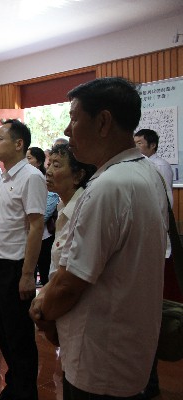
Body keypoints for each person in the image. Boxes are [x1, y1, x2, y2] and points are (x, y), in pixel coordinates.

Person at [34, 77, 168, 400]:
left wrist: (41, 310)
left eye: (74, 118)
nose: (67, 130)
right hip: (128, 348)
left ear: (103, 122)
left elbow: (70, 283)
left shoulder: (109, 186)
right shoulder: (146, 172)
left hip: (99, 359)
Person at [0, 120, 47, 400]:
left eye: (0, 139)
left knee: (19, 336)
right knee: (6, 333)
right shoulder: (6, 176)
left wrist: (27, 274)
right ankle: (13, 389)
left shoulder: (31, 177)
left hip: (15, 268)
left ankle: (25, 394)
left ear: (19, 144)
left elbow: (36, 226)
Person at [29, 143, 96, 346]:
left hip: (80, 314)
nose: (48, 171)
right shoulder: (63, 206)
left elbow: (71, 279)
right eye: (49, 164)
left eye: (57, 165)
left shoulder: (84, 210)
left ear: (78, 176)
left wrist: (46, 311)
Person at [134, 130, 173, 399]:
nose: (137, 147)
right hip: (146, 248)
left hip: (152, 249)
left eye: (140, 143)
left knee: (147, 316)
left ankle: (149, 382)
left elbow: (163, 206)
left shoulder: (156, 167)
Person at [26, 146, 59, 286]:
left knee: (46, 273)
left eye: (29, 158)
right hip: (28, 235)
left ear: (39, 162)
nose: (26, 162)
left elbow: (44, 214)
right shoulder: (24, 179)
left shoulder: (46, 182)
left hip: (44, 236)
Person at [134, 128, 173, 204]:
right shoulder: (139, 163)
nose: (135, 147)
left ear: (152, 145)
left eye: (139, 143)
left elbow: (166, 195)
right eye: (134, 143)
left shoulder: (160, 165)